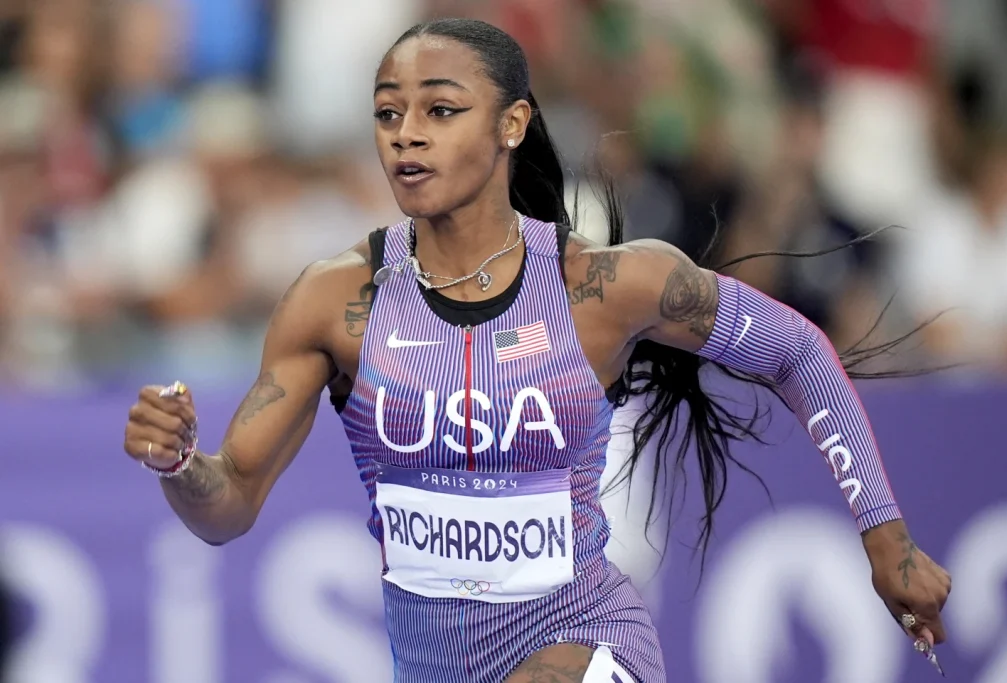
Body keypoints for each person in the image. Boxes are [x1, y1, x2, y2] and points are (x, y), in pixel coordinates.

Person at [122, 18, 954, 682]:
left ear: (512, 123)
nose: (406, 136)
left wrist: (886, 537)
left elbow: (796, 349)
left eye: (440, 110)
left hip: (586, 641)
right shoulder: (336, 302)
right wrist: (180, 462)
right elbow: (230, 504)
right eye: (388, 113)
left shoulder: (603, 287)